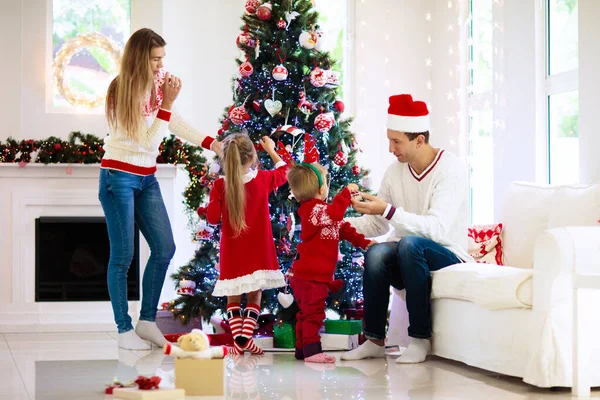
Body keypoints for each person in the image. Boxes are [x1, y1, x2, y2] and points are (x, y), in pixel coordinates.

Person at [99, 28, 221, 350]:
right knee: (123, 255)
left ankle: (146, 322)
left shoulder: (158, 86)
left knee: (165, 248)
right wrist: (166, 102)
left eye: (163, 58)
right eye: (155, 59)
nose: (160, 64)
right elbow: (148, 140)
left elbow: (175, 123)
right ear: (140, 57)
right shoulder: (121, 90)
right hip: (118, 177)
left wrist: (213, 144)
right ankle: (124, 330)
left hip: (146, 178)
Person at [340, 94, 472, 364]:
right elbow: (379, 224)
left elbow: (436, 229)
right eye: (390, 139)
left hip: (447, 254)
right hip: (407, 254)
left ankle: (420, 339)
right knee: (377, 254)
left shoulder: (451, 169)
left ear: (419, 140)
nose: (391, 148)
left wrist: (387, 210)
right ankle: (375, 340)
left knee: (410, 243)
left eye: (396, 141)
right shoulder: (395, 171)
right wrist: (337, 224)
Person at [206, 134, 288, 355]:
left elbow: (212, 219)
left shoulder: (219, 186)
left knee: (233, 296)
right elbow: (284, 172)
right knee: (254, 295)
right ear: (252, 157)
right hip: (259, 252)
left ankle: (239, 342)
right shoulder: (262, 179)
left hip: (233, 254)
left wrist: (212, 202)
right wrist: (271, 150)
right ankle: (245, 340)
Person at [287, 163, 375, 363]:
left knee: (306, 313)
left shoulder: (325, 212)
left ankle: (302, 349)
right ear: (321, 189)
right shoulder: (312, 211)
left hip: (314, 276)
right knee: (313, 314)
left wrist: (365, 243)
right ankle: (312, 351)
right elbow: (336, 215)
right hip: (309, 277)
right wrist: (346, 193)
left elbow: (344, 229)